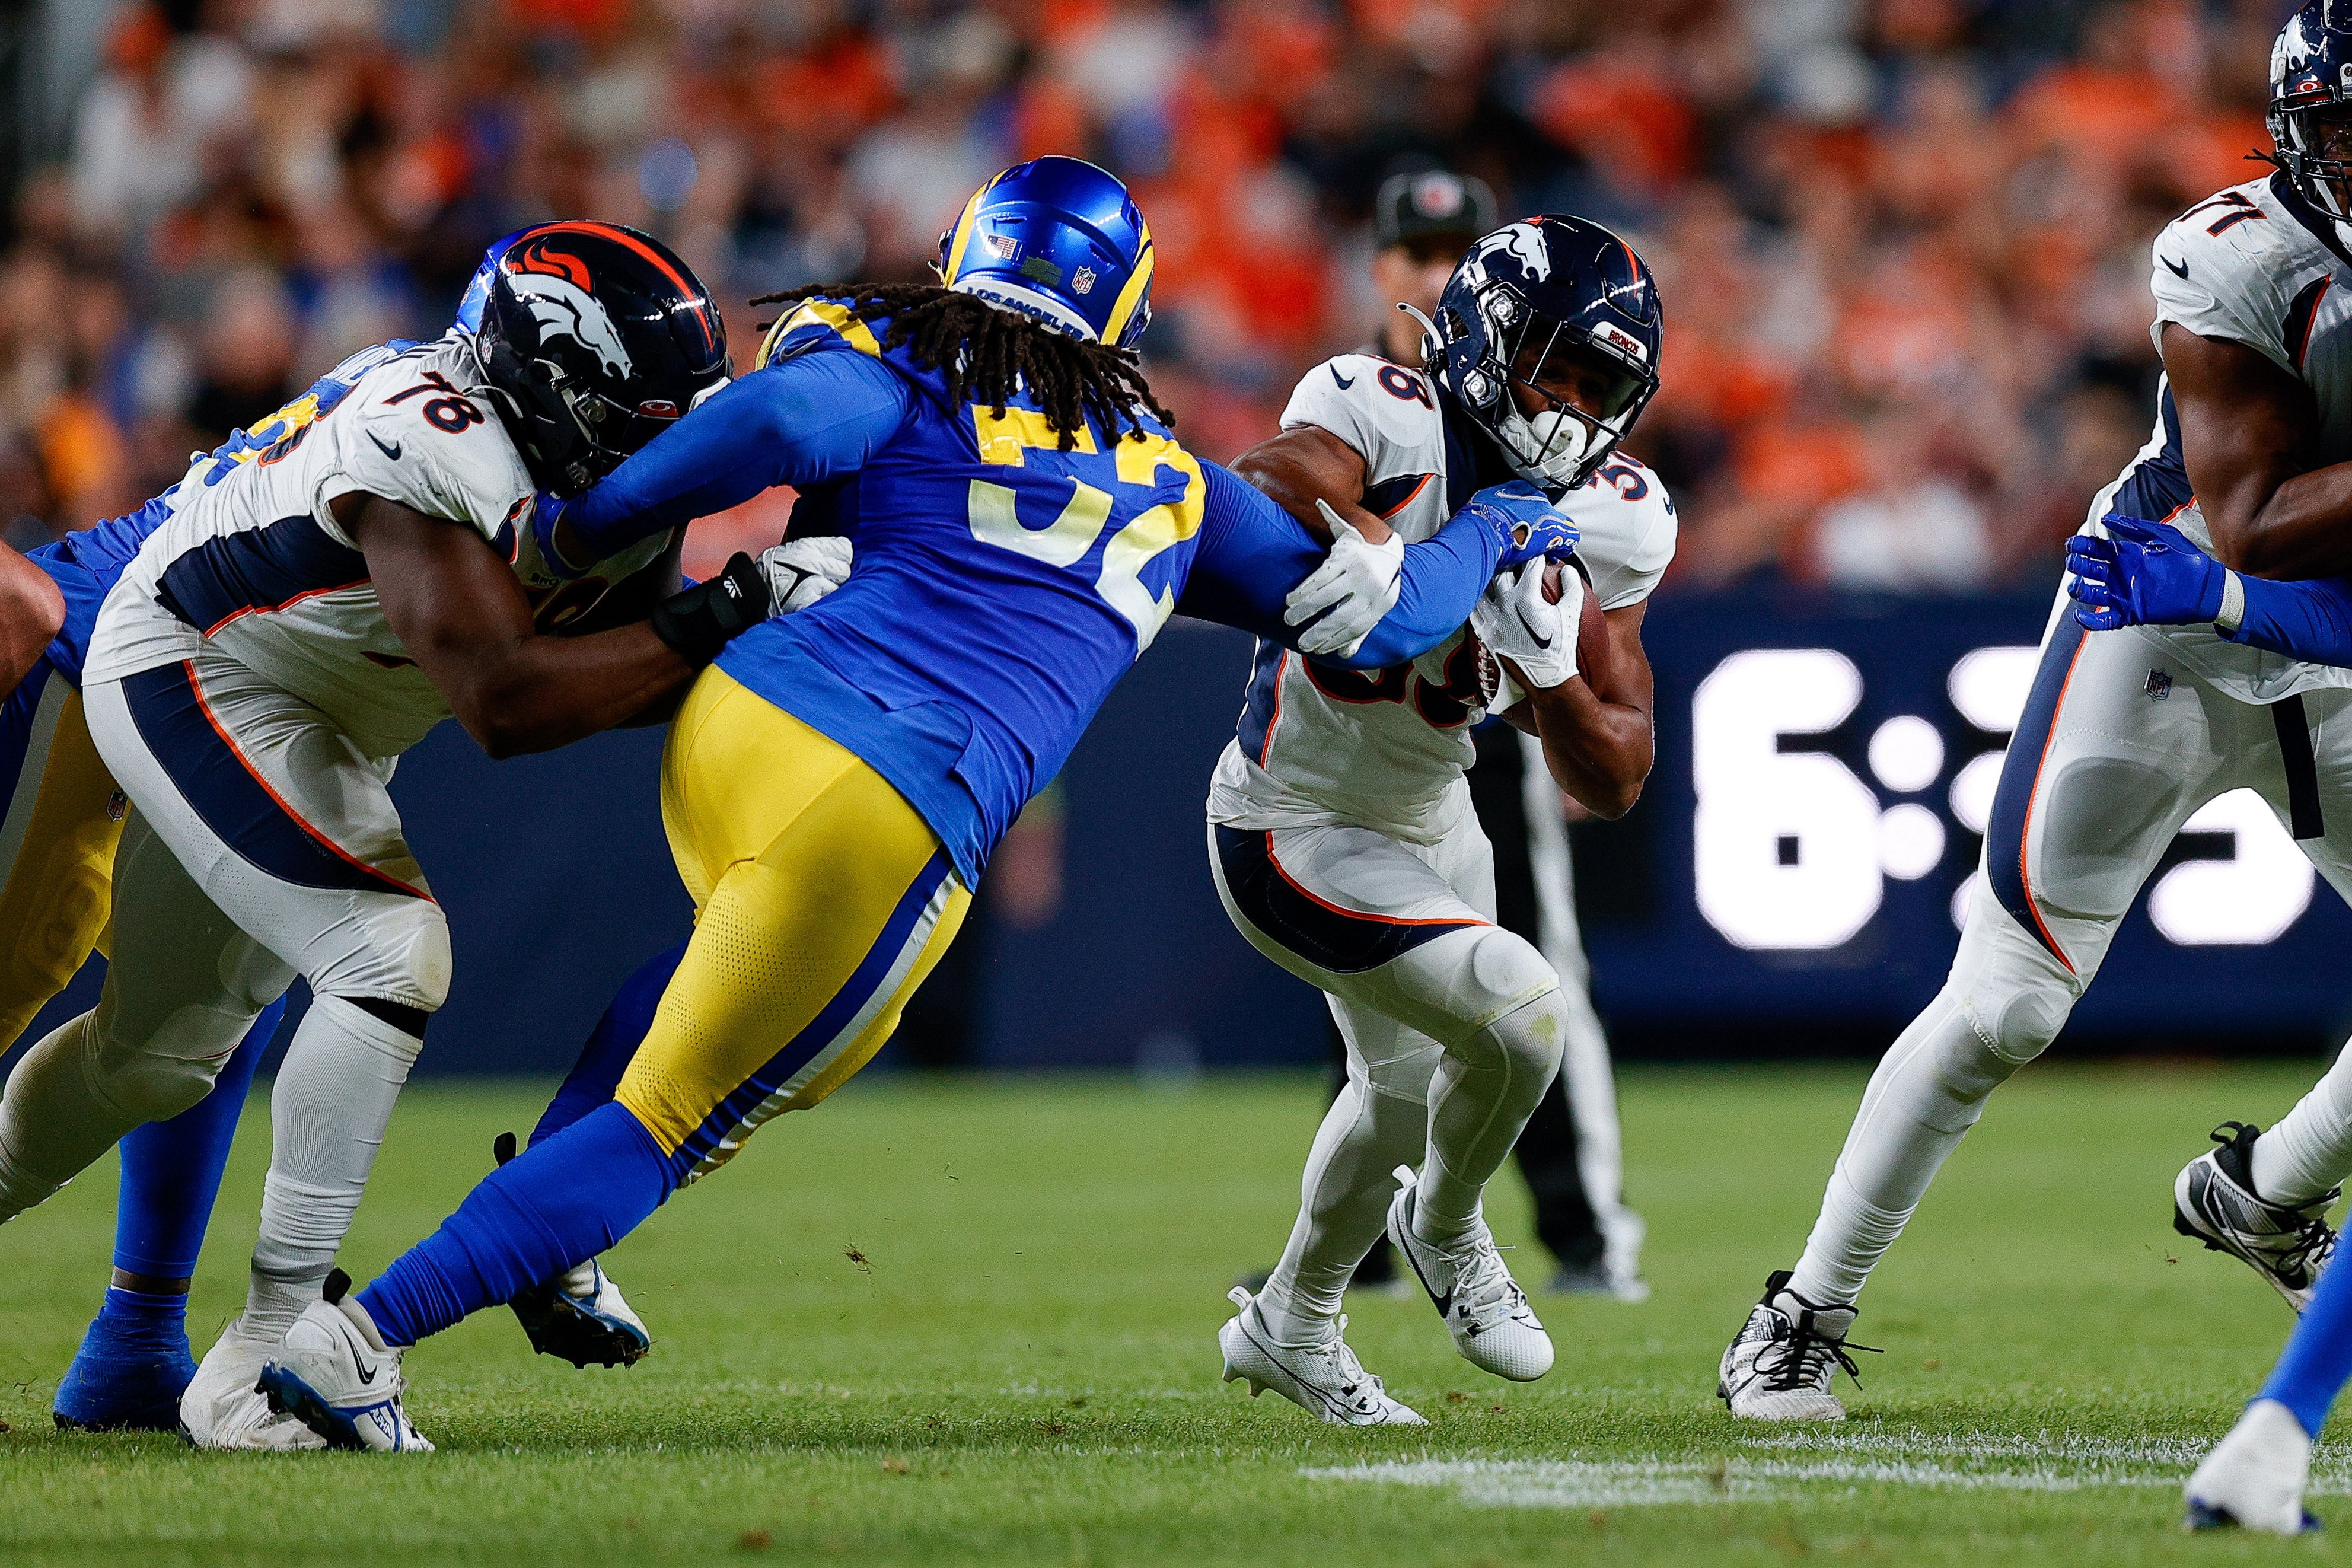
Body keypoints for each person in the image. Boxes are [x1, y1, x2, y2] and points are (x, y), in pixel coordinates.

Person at [241, 157, 1578, 1451]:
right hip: (883, 802)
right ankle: (358, 1343)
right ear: (1126, 314)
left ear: (966, 258)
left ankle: (551, 1247)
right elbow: (1387, 616)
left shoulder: (897, 349)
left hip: (735, 720)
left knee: (705, 969)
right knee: (673, 1121)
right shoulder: (1172, 481)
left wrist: (579, 526)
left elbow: (779, 424)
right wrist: (1496, 523)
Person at [0, 220, 775, 1451]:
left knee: (154, 1064)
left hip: (313, 714)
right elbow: (507, 700)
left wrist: (762, 625)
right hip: (193, 664)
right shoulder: (425, 428)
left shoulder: (592, 450)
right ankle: (269, 1359)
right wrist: (732, 612)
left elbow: (621, 655)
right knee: (388, 952)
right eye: (639, 418)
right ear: (546, 385)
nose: (670, 447)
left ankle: (173, 1339)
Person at [1718, 0, 2352, 1426]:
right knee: (2007, 997)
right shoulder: (2238, 255)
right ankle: (1802, 1307)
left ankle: (2265, 1191)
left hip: (2333, 647)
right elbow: (2255, 525)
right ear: (2299, 139)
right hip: (2165, 621)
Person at [1209, 214, 1672, 1423]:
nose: (1572, 412)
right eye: (1558, 370)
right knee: (1523, 1010)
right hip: (1293, 819)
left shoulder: (1616, 512)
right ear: (1486, 336)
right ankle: (1450, 1223)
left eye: (1601, 388)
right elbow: (1261, 483)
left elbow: (1618, 771)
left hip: (1435, 819)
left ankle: (1291, 1323)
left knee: (1399, 1094)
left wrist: (1549, 676)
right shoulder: (1382, 409)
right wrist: (1363, 530)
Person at [1, 492, 300, 1431]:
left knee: (209, 1002)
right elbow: (18, 608)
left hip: (215, 682)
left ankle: (136, 1339)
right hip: (96, 662)